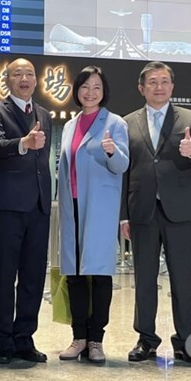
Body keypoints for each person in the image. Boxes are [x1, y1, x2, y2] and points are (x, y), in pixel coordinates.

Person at [121, 61, 191, 365]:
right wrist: (124, 215)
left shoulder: (190, 118)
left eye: (164, 81)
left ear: (172, 86)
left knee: (182, 281)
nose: (159, 87)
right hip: (142, 211)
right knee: (144, 279)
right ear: (141, 88)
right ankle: (146, 340)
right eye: (152, 82)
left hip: (181, 211)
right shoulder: (127, 122)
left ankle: (185, 343)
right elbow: (124, 171)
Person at [0, 58, 53, 365]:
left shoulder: (44, 114)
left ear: (36, 81)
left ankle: (25, 337)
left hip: (38, 205)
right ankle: (3, 341)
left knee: (33, 277)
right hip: (7, 206)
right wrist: (23, 143)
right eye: (17, 74)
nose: (24, 78)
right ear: (6, 80)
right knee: (5, 276)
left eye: (29, 74)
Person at [56, 66, 129, 364]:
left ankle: (96, 339)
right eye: (85, 86)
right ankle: (78, 337)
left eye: (96, 87)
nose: (90, 92)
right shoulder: (70, 125)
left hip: (99, 207)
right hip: (71, 206)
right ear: (77, 90)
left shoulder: (115, 123)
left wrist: (112, 151)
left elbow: (122, 165)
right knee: (73, 274)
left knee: (99, 274)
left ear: (104, 90)